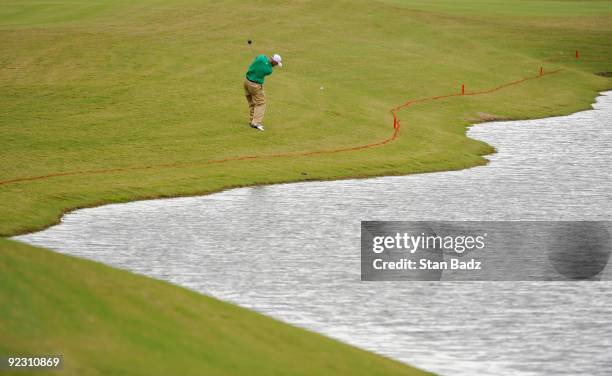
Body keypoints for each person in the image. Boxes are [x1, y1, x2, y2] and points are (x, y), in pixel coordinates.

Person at [244, 54, 282, 131]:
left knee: (252, 102)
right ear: (274, 61)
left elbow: (257, 57)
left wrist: (261, 60)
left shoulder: (262, 57)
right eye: (276, 64)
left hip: (246, 82)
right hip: (255, 85)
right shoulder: (269, 70)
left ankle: (252, 120)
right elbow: (266, 66)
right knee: (260, 103)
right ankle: (256, 123)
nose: (276, 66)